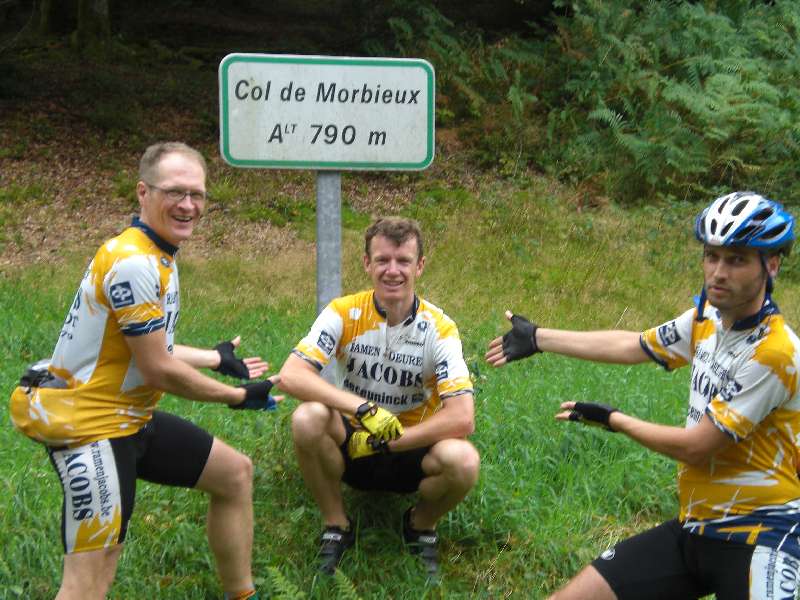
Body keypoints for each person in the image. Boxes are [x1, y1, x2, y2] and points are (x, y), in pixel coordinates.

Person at [486, 191, 800, 600]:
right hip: (697, 524)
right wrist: (539, 338)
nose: (718, 272)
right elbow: (632, 346)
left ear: (771, 265)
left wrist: (615, 420)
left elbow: (697, 447)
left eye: (737, 259)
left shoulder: (774, 353)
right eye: (712, 256)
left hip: (762, 536)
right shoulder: (707, 319)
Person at [9, 142, 280, 600]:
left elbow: (146, 347)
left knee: (234, 473)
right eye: (175, 192)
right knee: (91, 577)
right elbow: (157, 370)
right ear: (143, 192)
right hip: (89, 426)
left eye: (197, 194)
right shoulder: (134, 262)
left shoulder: (157, 254)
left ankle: (242, 594)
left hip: (127, 418)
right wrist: (237, 396)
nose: (188, 205)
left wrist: (215, 358)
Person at [278, 216, 480, 577]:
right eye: (383, 260)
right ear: (366, 263)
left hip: (411, 446)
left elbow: (463, 417)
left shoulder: (440, 328)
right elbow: (291, 375)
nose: (393, 271)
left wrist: (387, 443)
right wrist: (361, 408)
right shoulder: (342, 312)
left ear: (419, 266)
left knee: (464, 460)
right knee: (306, 418)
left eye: (403, 261)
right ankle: (336, 524)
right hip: (351, 438)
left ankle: (420, 525)